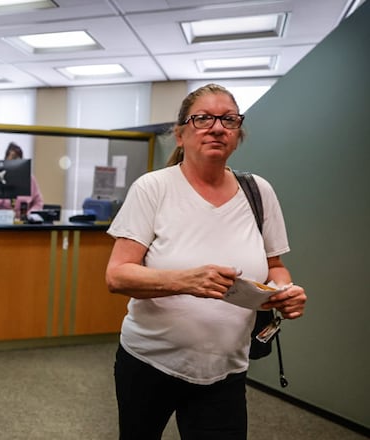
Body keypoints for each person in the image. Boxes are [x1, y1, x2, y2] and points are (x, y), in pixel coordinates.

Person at [104, 83, 307, 439]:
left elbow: (275, 266)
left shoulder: (258, 192)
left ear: (238, 134)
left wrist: (283, 291)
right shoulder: (153, 188)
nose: (217, 127)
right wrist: (186, 281)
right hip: (149, 363)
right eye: (203, 119)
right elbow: (117, 276)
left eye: (228, 120)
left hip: (226, 370)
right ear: (180, 134)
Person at [0, 142, 44, 218]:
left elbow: (38, 202)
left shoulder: (30, 178)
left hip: (23, 220)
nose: (16, 161)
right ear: (6, 159)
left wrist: (29, 215)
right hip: (0, 220)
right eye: (13, 157)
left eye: (19, 157)